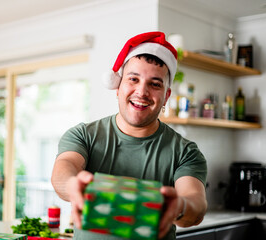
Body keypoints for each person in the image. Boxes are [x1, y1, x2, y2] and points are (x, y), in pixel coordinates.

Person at [51, 31, 207, 240]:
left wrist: (180, 205)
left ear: (166, 95)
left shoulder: (185, 152)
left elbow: (195, 204)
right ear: (118, 86)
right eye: (133, 79)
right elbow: (64, 169)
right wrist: (72, 185)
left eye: (155, 84)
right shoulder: (83, 135)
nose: (141, 92)